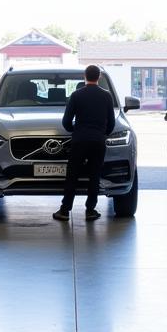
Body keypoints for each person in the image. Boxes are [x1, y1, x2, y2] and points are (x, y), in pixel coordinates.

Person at [53, 65, 115, 222]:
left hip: (79, 140)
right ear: (99, 76)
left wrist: (75, 130)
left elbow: (66, 121)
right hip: (98, 141)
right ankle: (90, 210)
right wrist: (102, 134)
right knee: (94, 175)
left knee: (72, 175)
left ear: (84, 76)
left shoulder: (76, 95)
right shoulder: (106, 96)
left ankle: (65, 210)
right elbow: (112, 123)